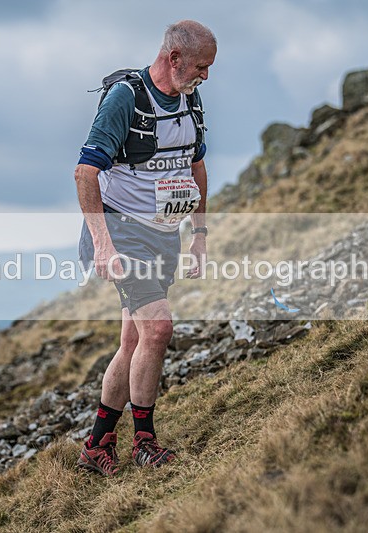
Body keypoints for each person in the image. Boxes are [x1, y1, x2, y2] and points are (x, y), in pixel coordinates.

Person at [74, 20, 217, 476]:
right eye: (201, 66)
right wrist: (103, 245)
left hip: (163, 234)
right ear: (174, 58)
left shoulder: (189, 97)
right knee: (158, 329)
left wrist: (199, 236)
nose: (206, 76)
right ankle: (145, 442)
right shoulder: (125, 99)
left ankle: (97, 445)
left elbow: (196, 166)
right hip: (121, 233)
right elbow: (85, 173)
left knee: (134, 340)